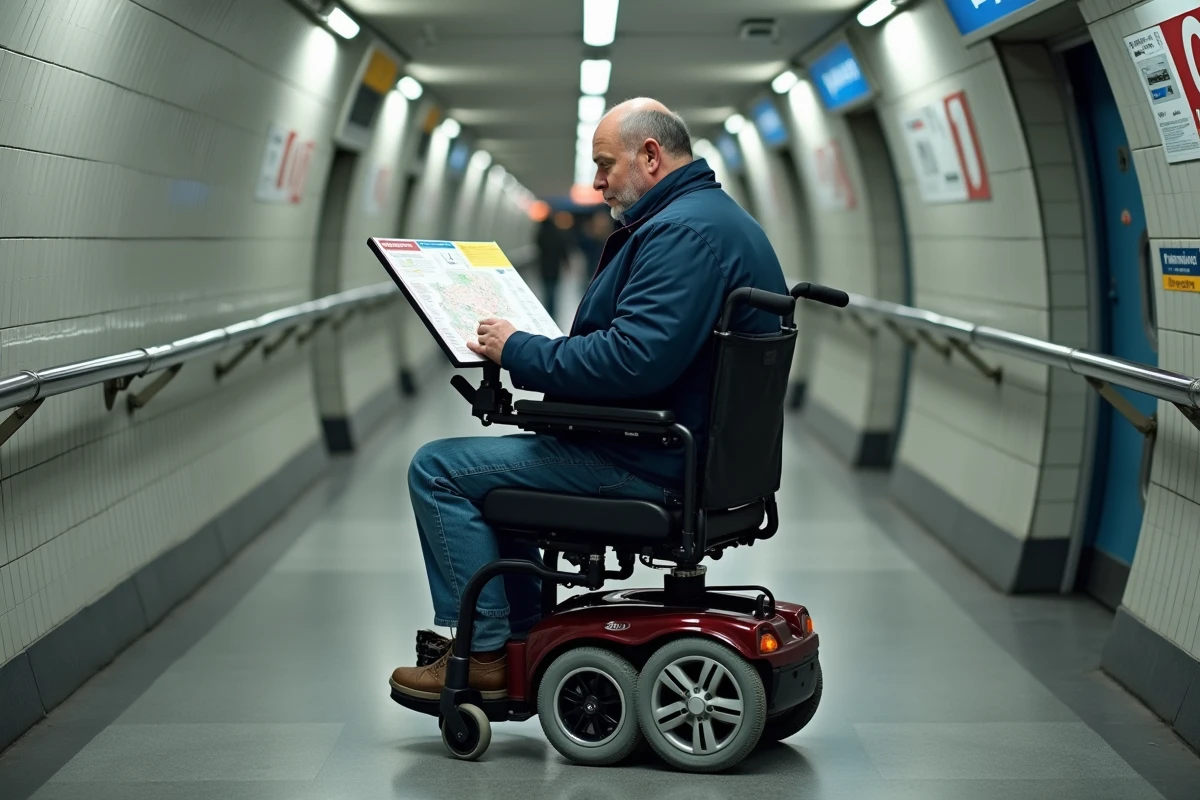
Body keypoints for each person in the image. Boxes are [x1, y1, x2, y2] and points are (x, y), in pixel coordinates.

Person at [390, 97, 789, 700]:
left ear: (650, 156)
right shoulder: (720, 220)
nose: (597, 181)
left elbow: (632, 360)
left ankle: (487, 650)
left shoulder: (678, 233)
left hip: (646, 460)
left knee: (439, 468)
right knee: (499, 476)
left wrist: (518, 349)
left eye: (605, 164)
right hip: (695, 457)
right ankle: (519, 635)